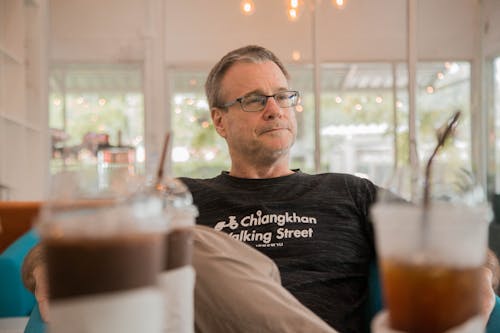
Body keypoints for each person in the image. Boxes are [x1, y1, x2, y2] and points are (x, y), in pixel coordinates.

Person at [22, 45, 499, 333]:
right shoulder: (182, 196)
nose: (275, 109)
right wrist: (50, 266)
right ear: (219, 122)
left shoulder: (350, 191)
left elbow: (446, 238)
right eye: (253, 99)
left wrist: (477, 268)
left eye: (283, 96)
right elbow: (57, 245)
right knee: (180, 235)